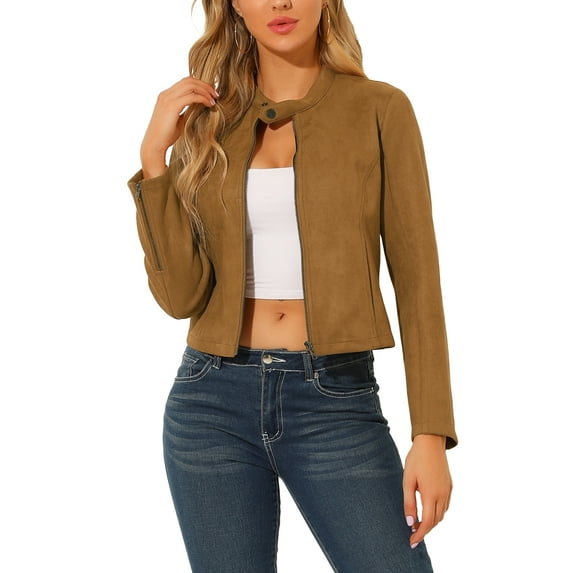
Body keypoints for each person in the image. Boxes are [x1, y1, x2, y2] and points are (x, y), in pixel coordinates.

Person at [128, 0, 457, 571]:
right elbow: (180, 296)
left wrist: (430, 433)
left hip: (336, 401)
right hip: (210, 403)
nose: (279, 2)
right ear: (234, 5)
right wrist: (154, 160)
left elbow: (418, 280)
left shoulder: (380, 109)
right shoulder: (209, 123)